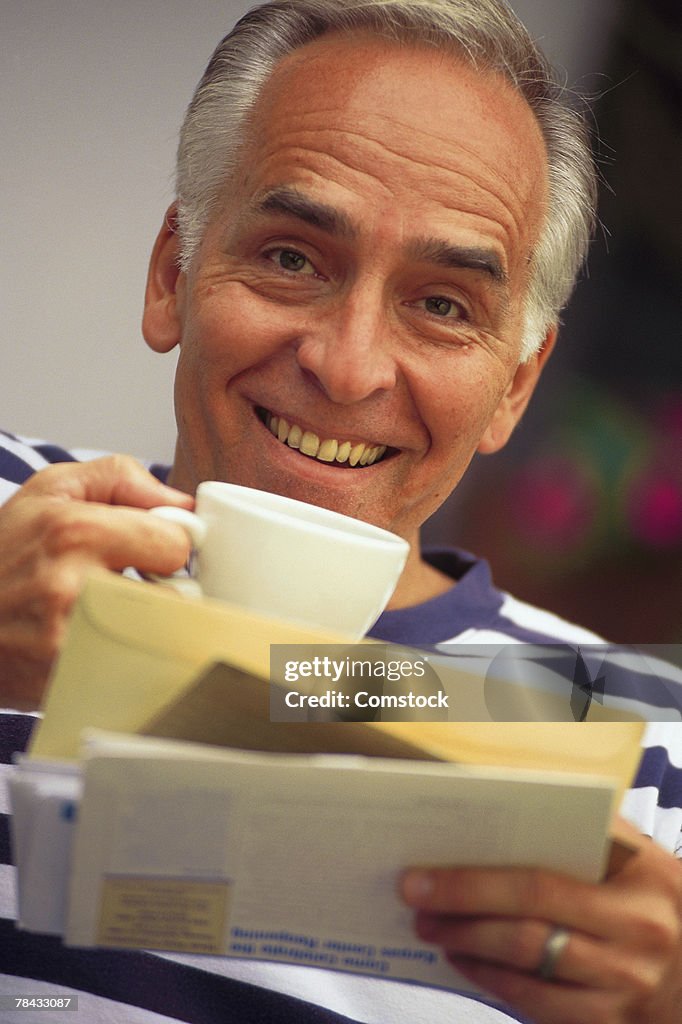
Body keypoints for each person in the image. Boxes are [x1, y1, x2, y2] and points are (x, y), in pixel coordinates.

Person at [1, 1, 680, 1021]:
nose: (349, 364)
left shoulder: (651, 759)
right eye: (290, 258)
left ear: (514, 388)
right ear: (171, 274)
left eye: (443, 304)